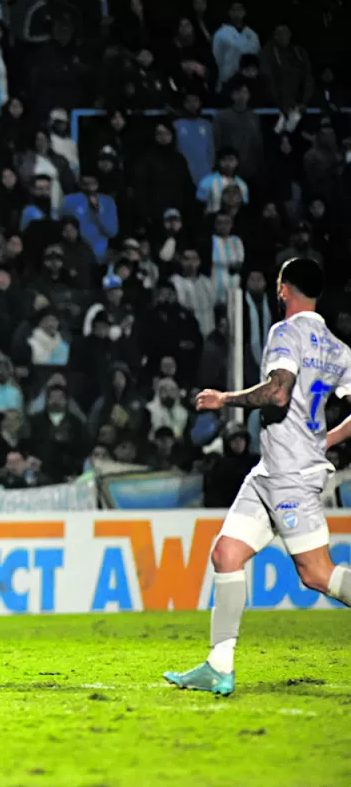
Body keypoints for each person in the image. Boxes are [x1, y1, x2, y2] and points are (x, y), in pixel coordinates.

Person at [165, 259, 351, 696]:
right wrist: (327, 439)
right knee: (226, 554)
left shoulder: (284, 332)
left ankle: (219, 665)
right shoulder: (338, 348)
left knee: (318, 575)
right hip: (270, 472)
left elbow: (278, 391)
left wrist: (223, 399)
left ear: (284, 289)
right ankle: (218, 665)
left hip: (290, 476)